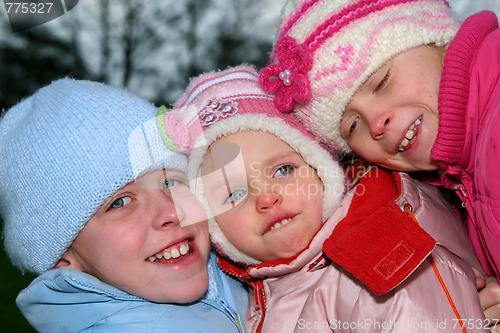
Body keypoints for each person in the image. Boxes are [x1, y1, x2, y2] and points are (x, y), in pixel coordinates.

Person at [160, 65, 490, 332]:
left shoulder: (376, 260)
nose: (267, 198)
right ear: (213, 224)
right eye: (234, 194)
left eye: (283, 170)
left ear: (321, 171)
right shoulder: (260, 294)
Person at [259, 0, 500, 284]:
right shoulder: (463, 177)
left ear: (435, 39)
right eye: (352, 125)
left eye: (381, 82)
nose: (375, 123)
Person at [0, 78, 247, 333]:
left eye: (171, 182)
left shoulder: (243, 265)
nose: (173, 211)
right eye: (120, 202)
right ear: (64, 260)